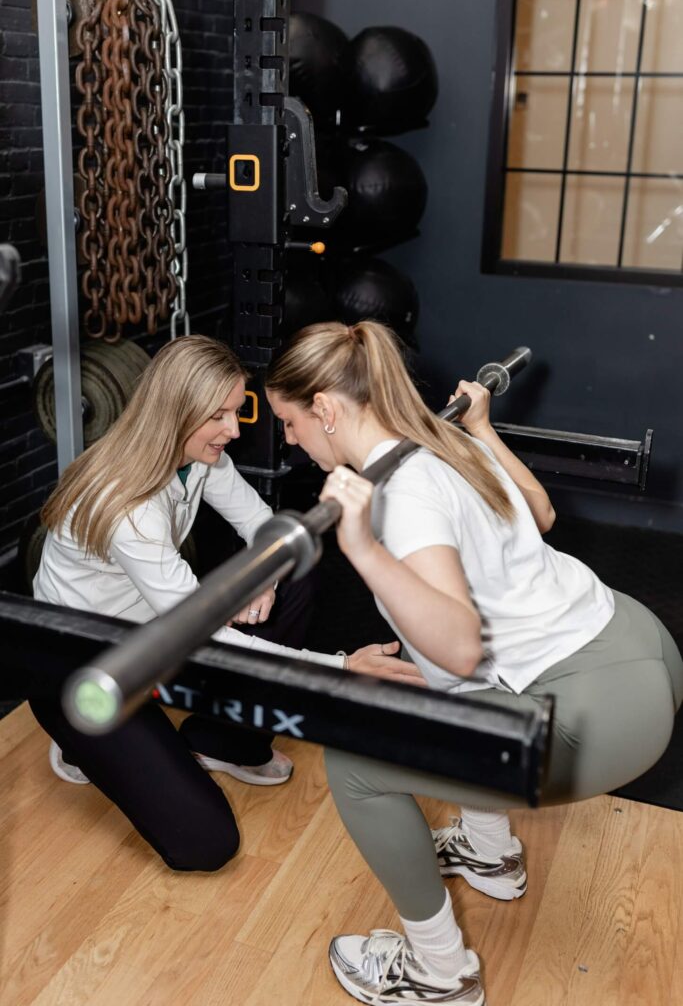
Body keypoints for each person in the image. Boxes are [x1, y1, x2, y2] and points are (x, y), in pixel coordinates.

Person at [265, 319, 683, 1006]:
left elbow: (458, 649)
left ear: (327, 409)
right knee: (428, 676)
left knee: (355, 763)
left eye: (289, 422)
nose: (290, 439)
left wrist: (360, 548)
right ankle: (489, 853)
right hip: (638, 640)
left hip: (593, 716)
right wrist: (484, 428)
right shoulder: (446, 438)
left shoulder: (402, 496)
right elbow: (540, 515)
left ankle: (440, 974)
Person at [31, 334, 422, 873]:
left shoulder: (199, 459)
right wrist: (341, 669)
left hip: (155, 635)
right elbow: (206, 638)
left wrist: (264, 570)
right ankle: (82, 744)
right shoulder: (129, 509)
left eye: (236, 411)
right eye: (219, 416)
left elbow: (263, 524)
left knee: (294, 574)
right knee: (206, 843)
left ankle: (223, 741)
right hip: (85, 669)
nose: (235, 430)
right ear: (175, 412)